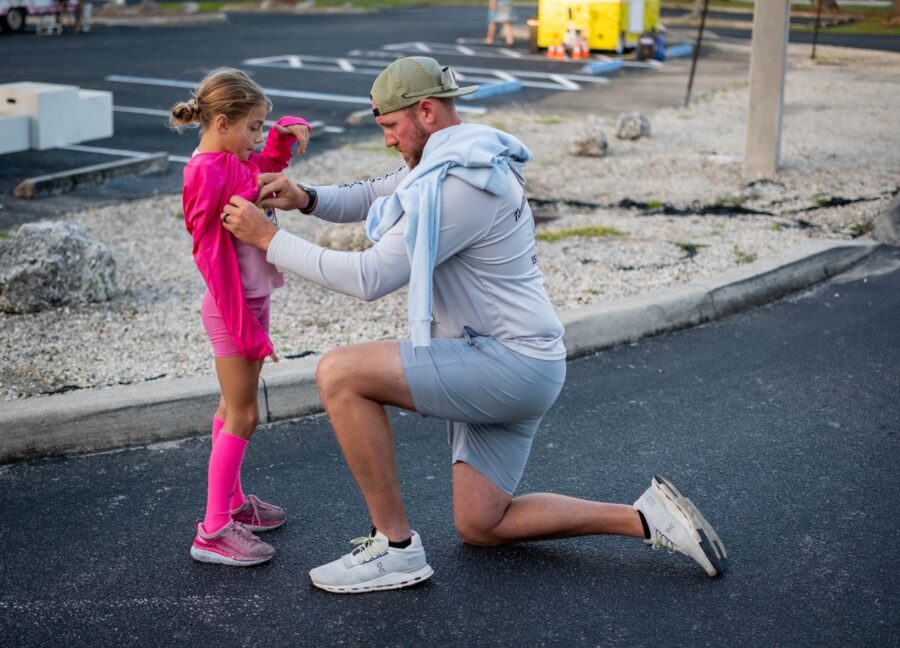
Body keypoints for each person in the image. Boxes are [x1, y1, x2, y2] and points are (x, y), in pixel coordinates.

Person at [221, 57, 727, 591]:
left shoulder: (457, 185)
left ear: (426, 111)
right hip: (519, 358)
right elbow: (375, 191)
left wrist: (268, 239)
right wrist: (307, 198)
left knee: (340, 374)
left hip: (507, 364)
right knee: (483, 522)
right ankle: (647, 518)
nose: (390, 141)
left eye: (392, 127)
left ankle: (395, 549)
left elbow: (369, 276)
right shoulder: (458, 157)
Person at [170, 68, 311, 567]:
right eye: (253, 128)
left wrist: (280, 140)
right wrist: (244, 326)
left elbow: (257, 180)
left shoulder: (228, 160)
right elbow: (210, 257)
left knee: (231, 408)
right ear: (224, 122)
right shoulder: (205, 172)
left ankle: (230, 503)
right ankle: (212, 530)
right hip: (233, 308)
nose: (257, 138)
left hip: (250, 302)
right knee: (245, 415)